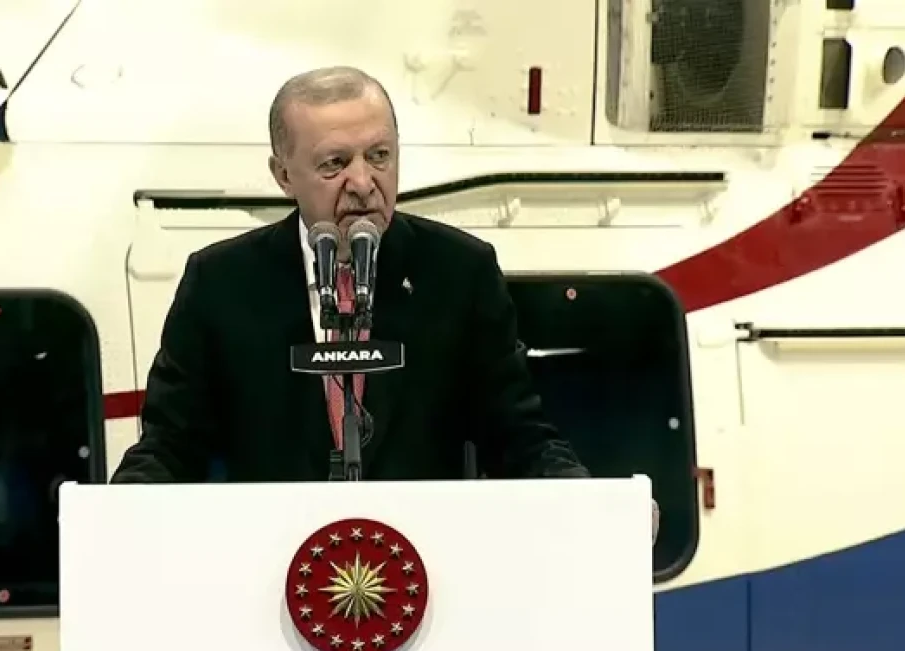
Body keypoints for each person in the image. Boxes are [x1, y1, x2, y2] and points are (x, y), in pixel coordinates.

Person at [111, 66, 659, 540]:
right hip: (274, 574)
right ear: (283, 176)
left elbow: (517, 434)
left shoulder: (458, 271)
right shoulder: (222, 282)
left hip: (424, 573)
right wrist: (110, 519)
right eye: (334, 163)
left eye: (379, 156)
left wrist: (593, 506)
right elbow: (170, 444)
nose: (363, 182)